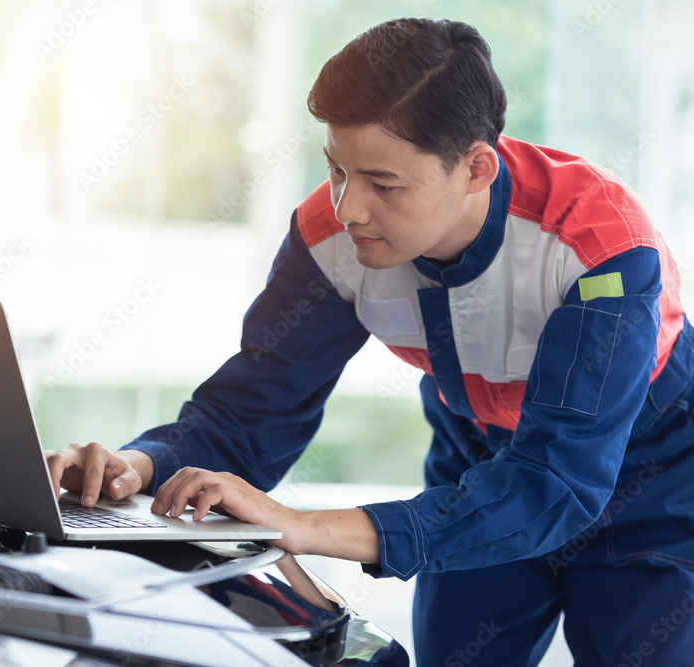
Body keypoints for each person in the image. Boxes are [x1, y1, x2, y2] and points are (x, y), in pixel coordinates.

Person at [45, 17, 694, 665]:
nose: (349, 207)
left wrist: (303, 526)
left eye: (383, 184)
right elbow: (249, 415)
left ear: (475, 168)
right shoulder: (332, 234)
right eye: (336, 169)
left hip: (653, 475)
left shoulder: (602, 252)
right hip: (479, 457)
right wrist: (135, 468)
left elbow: (555, 483)